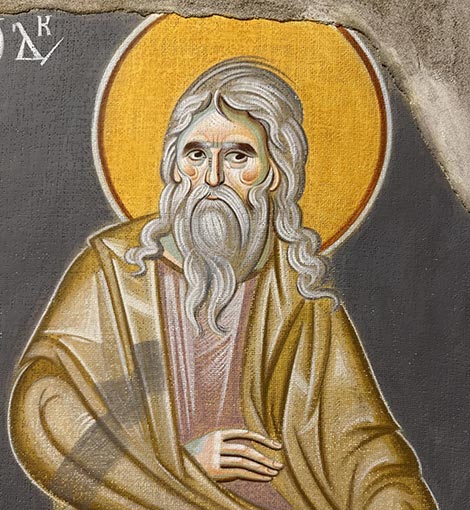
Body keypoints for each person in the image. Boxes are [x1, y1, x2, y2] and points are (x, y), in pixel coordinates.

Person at [9, 59, 437, 509]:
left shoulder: (298, 293)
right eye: (196, 154)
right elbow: (45, 410)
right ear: (175, 167)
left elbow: (360, 447)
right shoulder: (117, 274)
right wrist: (178, 463)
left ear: (275, 172)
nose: (212, 178)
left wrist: (392, 497)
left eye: (238, 156)